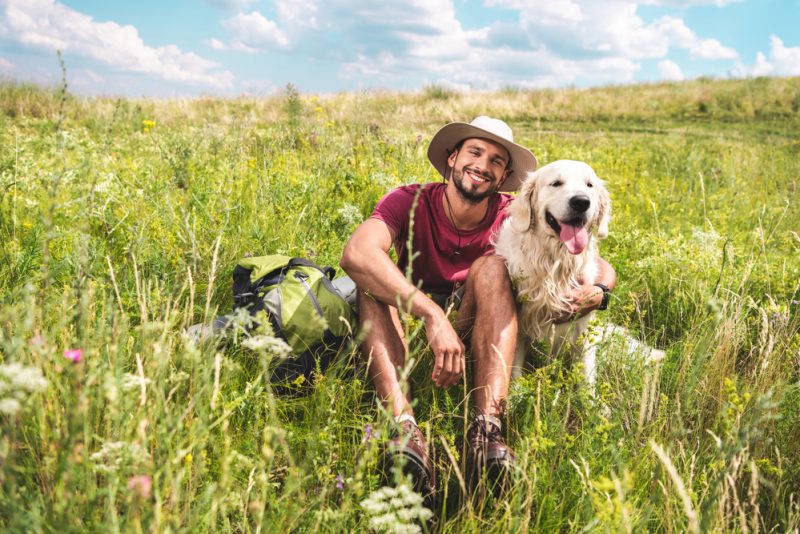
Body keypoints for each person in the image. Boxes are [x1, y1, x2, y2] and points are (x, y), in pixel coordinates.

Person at [339, 116, 616, 494]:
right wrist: (431, 314)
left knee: (490, 267)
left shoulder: (515, 212)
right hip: (409, 328)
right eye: (474, 152)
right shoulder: (408, 199)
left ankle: (486, 434)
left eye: (497, 161)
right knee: (369, 284)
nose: (483, 165)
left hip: (470, 324)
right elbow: (357, 253)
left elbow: (596, 262)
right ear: (452, 159)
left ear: (503, 178)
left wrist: (598, 291)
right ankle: (404, 429)